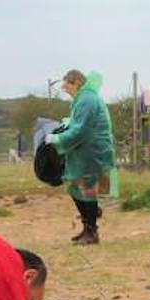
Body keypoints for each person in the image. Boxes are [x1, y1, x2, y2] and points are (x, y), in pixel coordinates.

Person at [46, 70, 118, 245]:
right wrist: (68, 123)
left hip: (92, 151)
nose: (66, 89)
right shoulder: (83, 98)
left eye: (67, 85)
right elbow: (79, 123)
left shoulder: (87, 99)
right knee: (75, 187)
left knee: (88, 190)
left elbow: (82, 130)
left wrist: (57, 138)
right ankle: (87, 226)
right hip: (84, 151)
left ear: (77, 82)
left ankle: (92, 232)